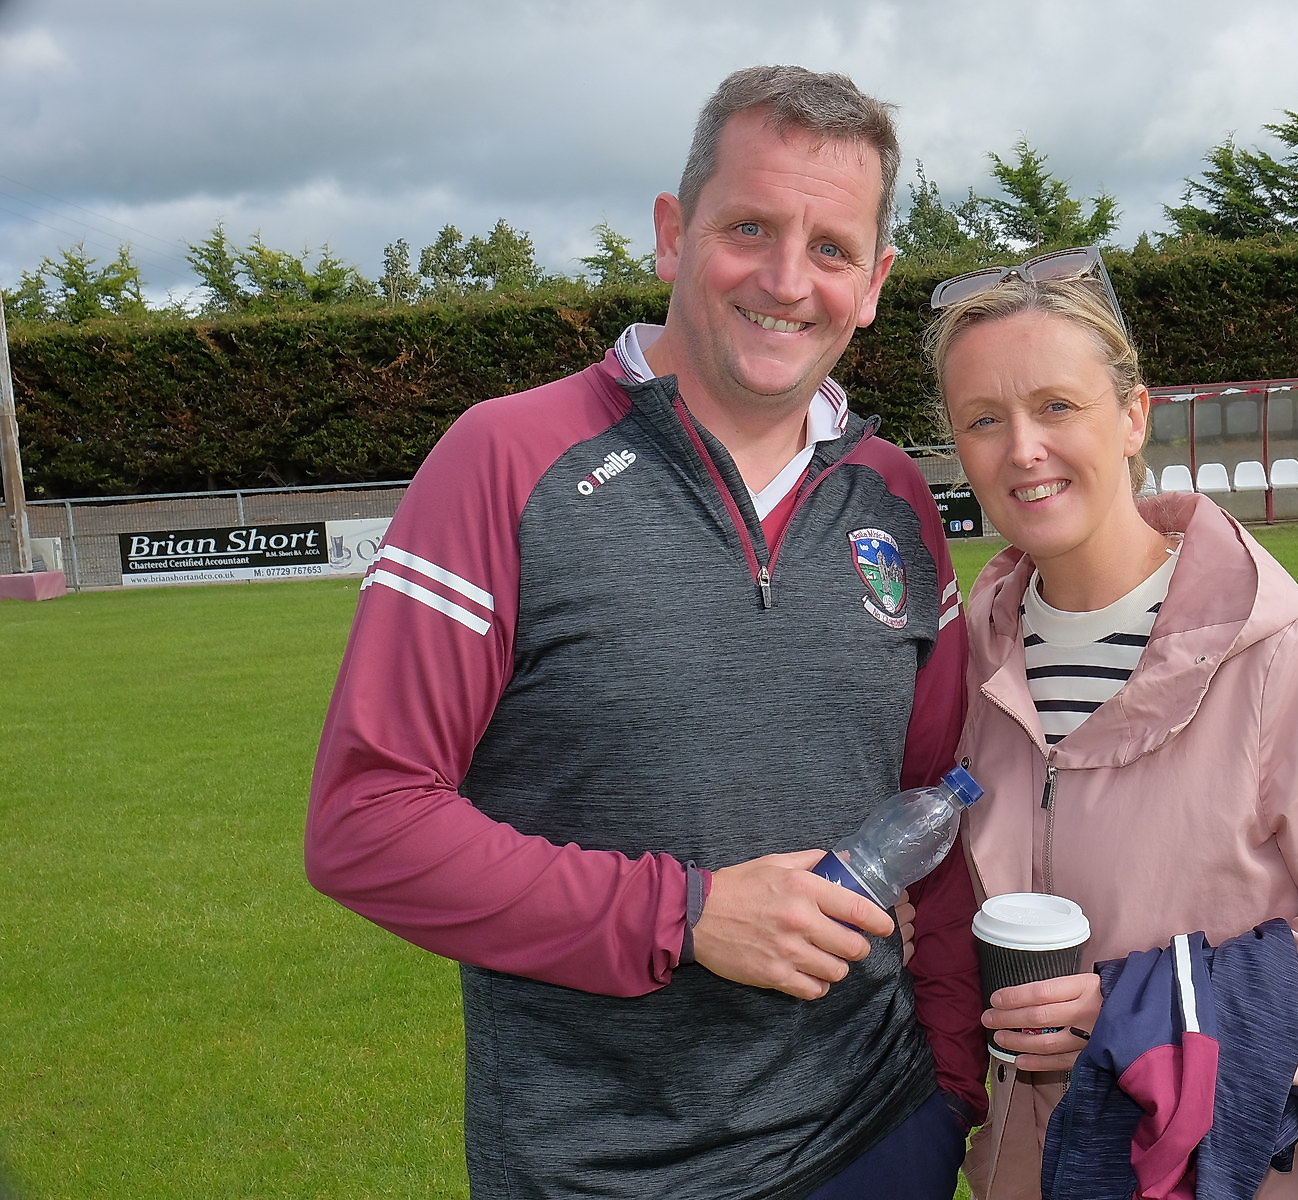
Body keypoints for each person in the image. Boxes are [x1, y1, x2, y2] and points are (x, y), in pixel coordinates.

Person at [305, 66, 986, 1200]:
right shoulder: (503, 460)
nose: (784, 280)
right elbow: (366, 823)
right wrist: (687, 913)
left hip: (879, 1135)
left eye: (829, 249)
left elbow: (946, 805)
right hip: (600, 1171)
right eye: (750, 227)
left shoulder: (892, 499)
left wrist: (952, 1092)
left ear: (872, 285)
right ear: (674, 235)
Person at [924, 253, 1298, 1199]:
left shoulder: (1276, 648)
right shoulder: (969, 654)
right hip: (1030, 1161)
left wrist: (1148, 1017)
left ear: (1133, 416)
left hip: (1230, 1160)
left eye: (1057, 406)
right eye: (983, 420)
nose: (1023, 450)